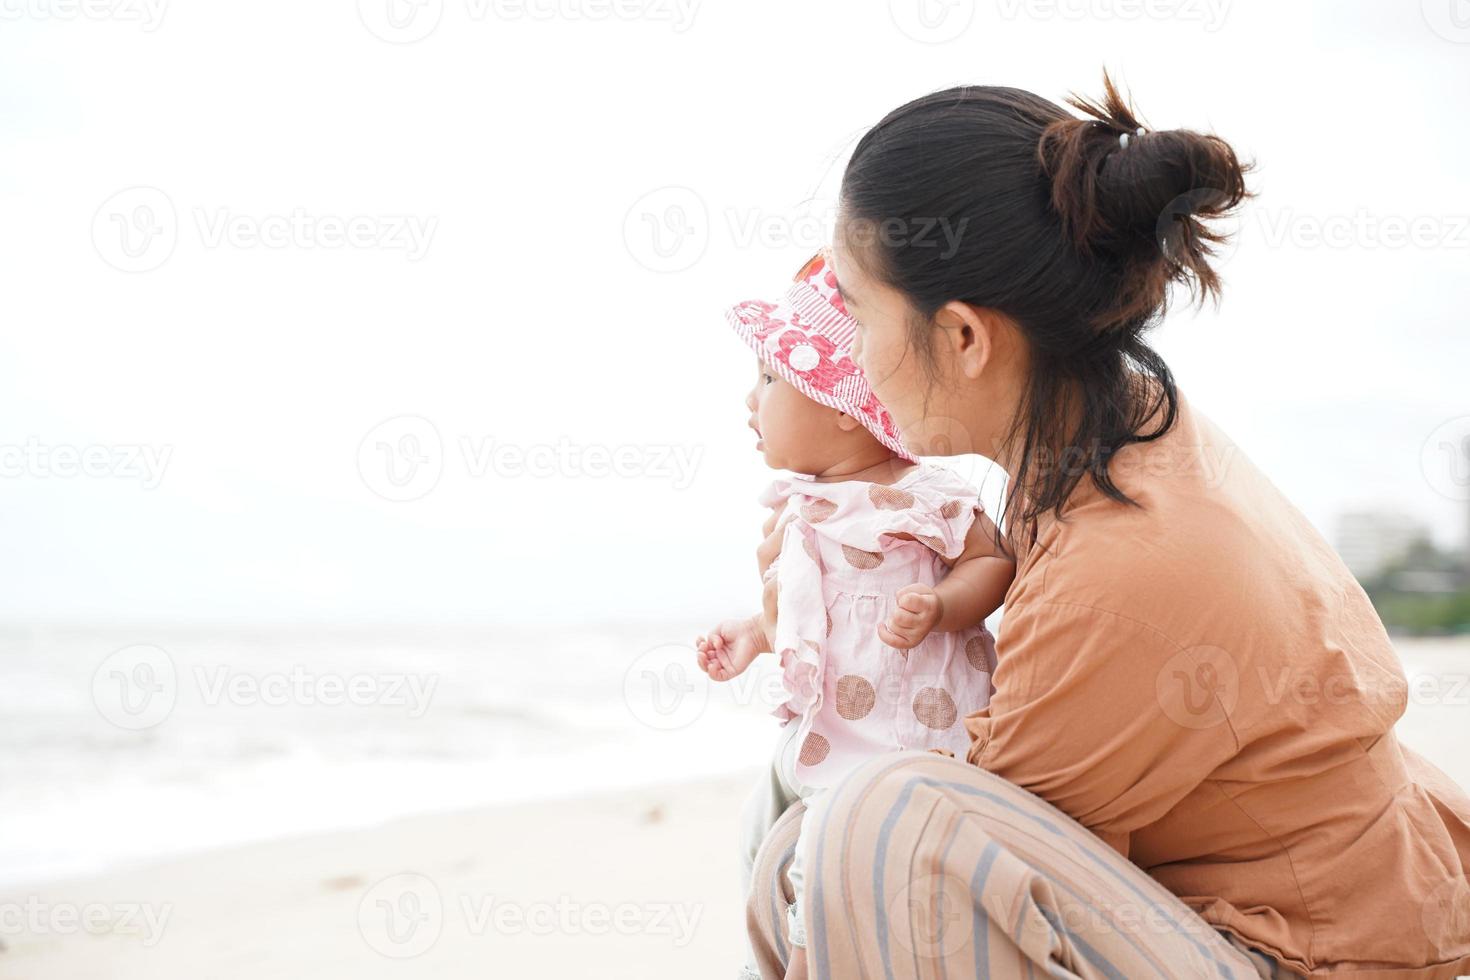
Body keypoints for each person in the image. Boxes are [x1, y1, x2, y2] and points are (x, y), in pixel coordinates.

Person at [745, 74, 1470, 978]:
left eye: (854, 309)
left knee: (876, 821)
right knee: (798, 850)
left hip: (1318, 956)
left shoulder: (1119, 564)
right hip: (1272, 912)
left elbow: (951, 845)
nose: (847, 355)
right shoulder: (1111, 424)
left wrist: (811, 616)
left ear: (965, 338)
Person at [696, 252, 1015, 980]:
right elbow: (802, 611)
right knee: (761, 823)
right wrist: (751, 636)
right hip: (823, 731)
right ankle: (764, 954)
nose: (751, 401)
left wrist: (941, 605)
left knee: (822, 854)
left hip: (902, 737)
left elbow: (992, 561)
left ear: (842, 409)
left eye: (771, 380)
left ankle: (811, 965)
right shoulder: (797, 509)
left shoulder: (926, 494)